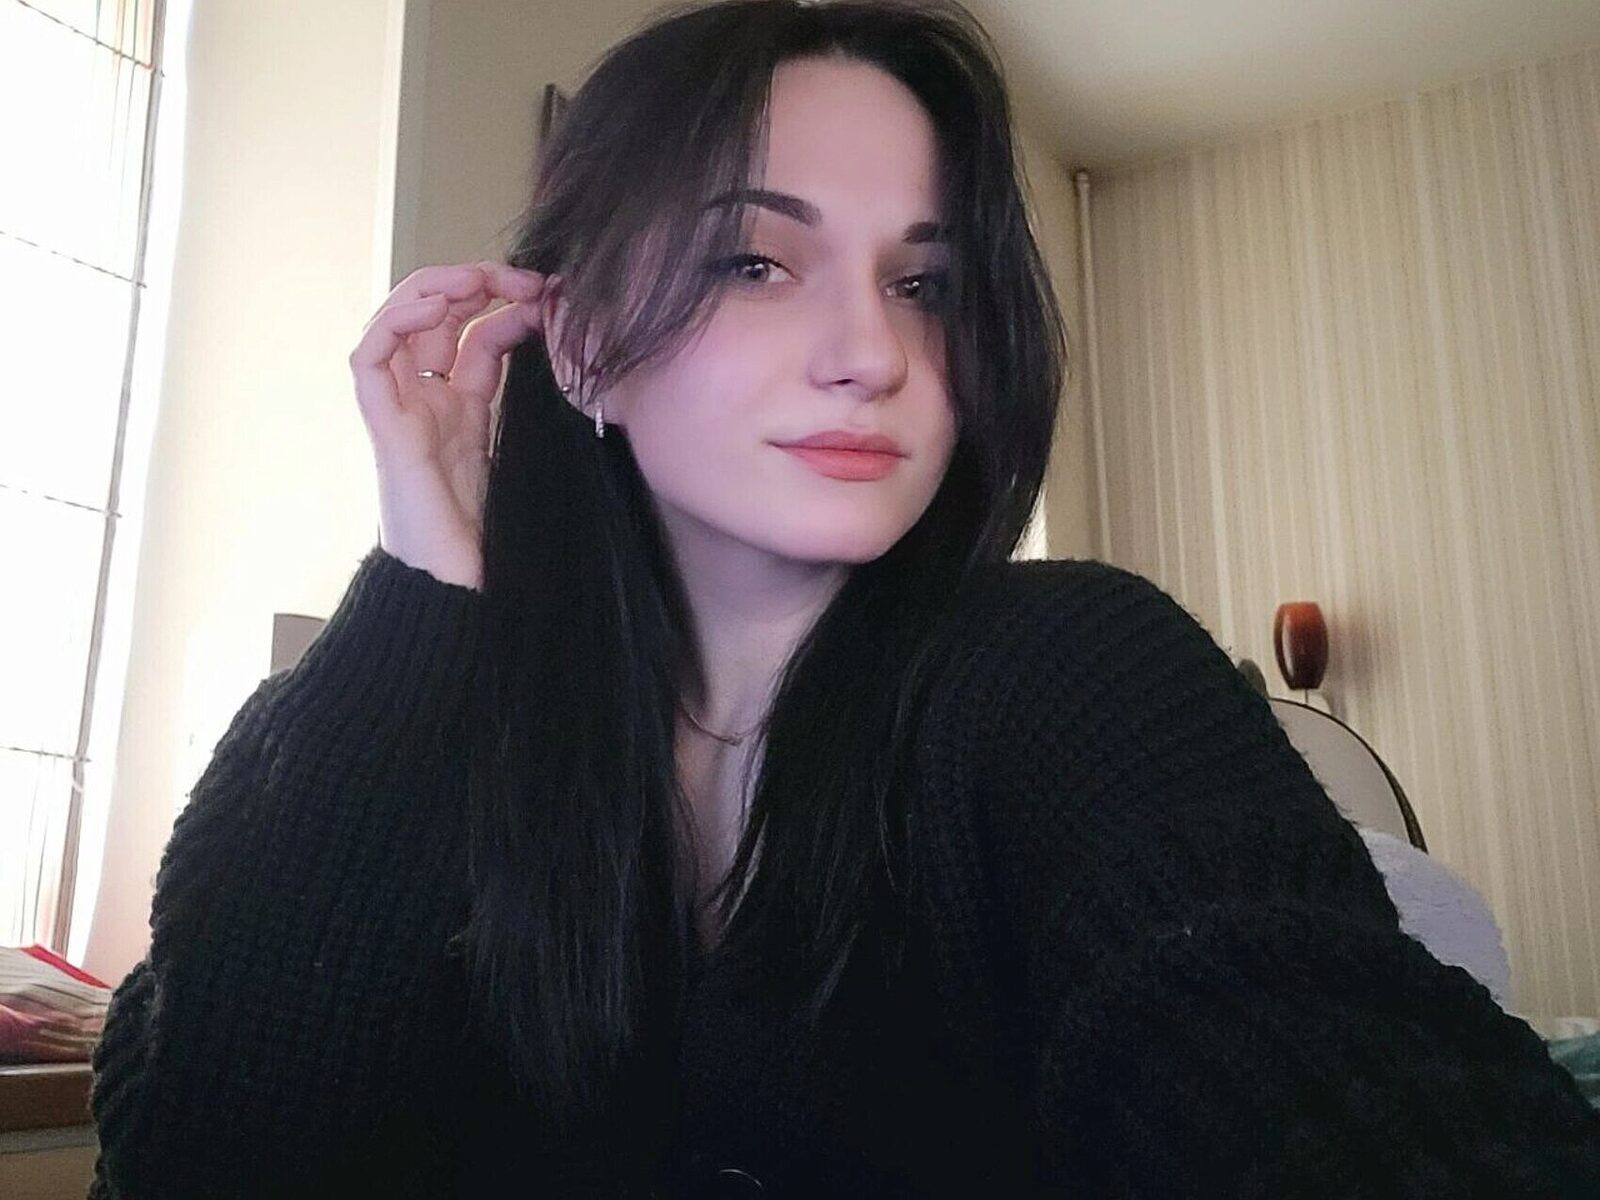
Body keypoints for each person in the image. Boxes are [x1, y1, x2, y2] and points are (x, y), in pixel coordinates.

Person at [87, 0, 1600, 1195]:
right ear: (584, 342)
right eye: (755, 262)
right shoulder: (388, 727)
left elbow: (1324, 1074)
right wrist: (430, 581)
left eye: (923, 284)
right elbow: (201, 1152)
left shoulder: (1072, 671)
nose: (874, 354)